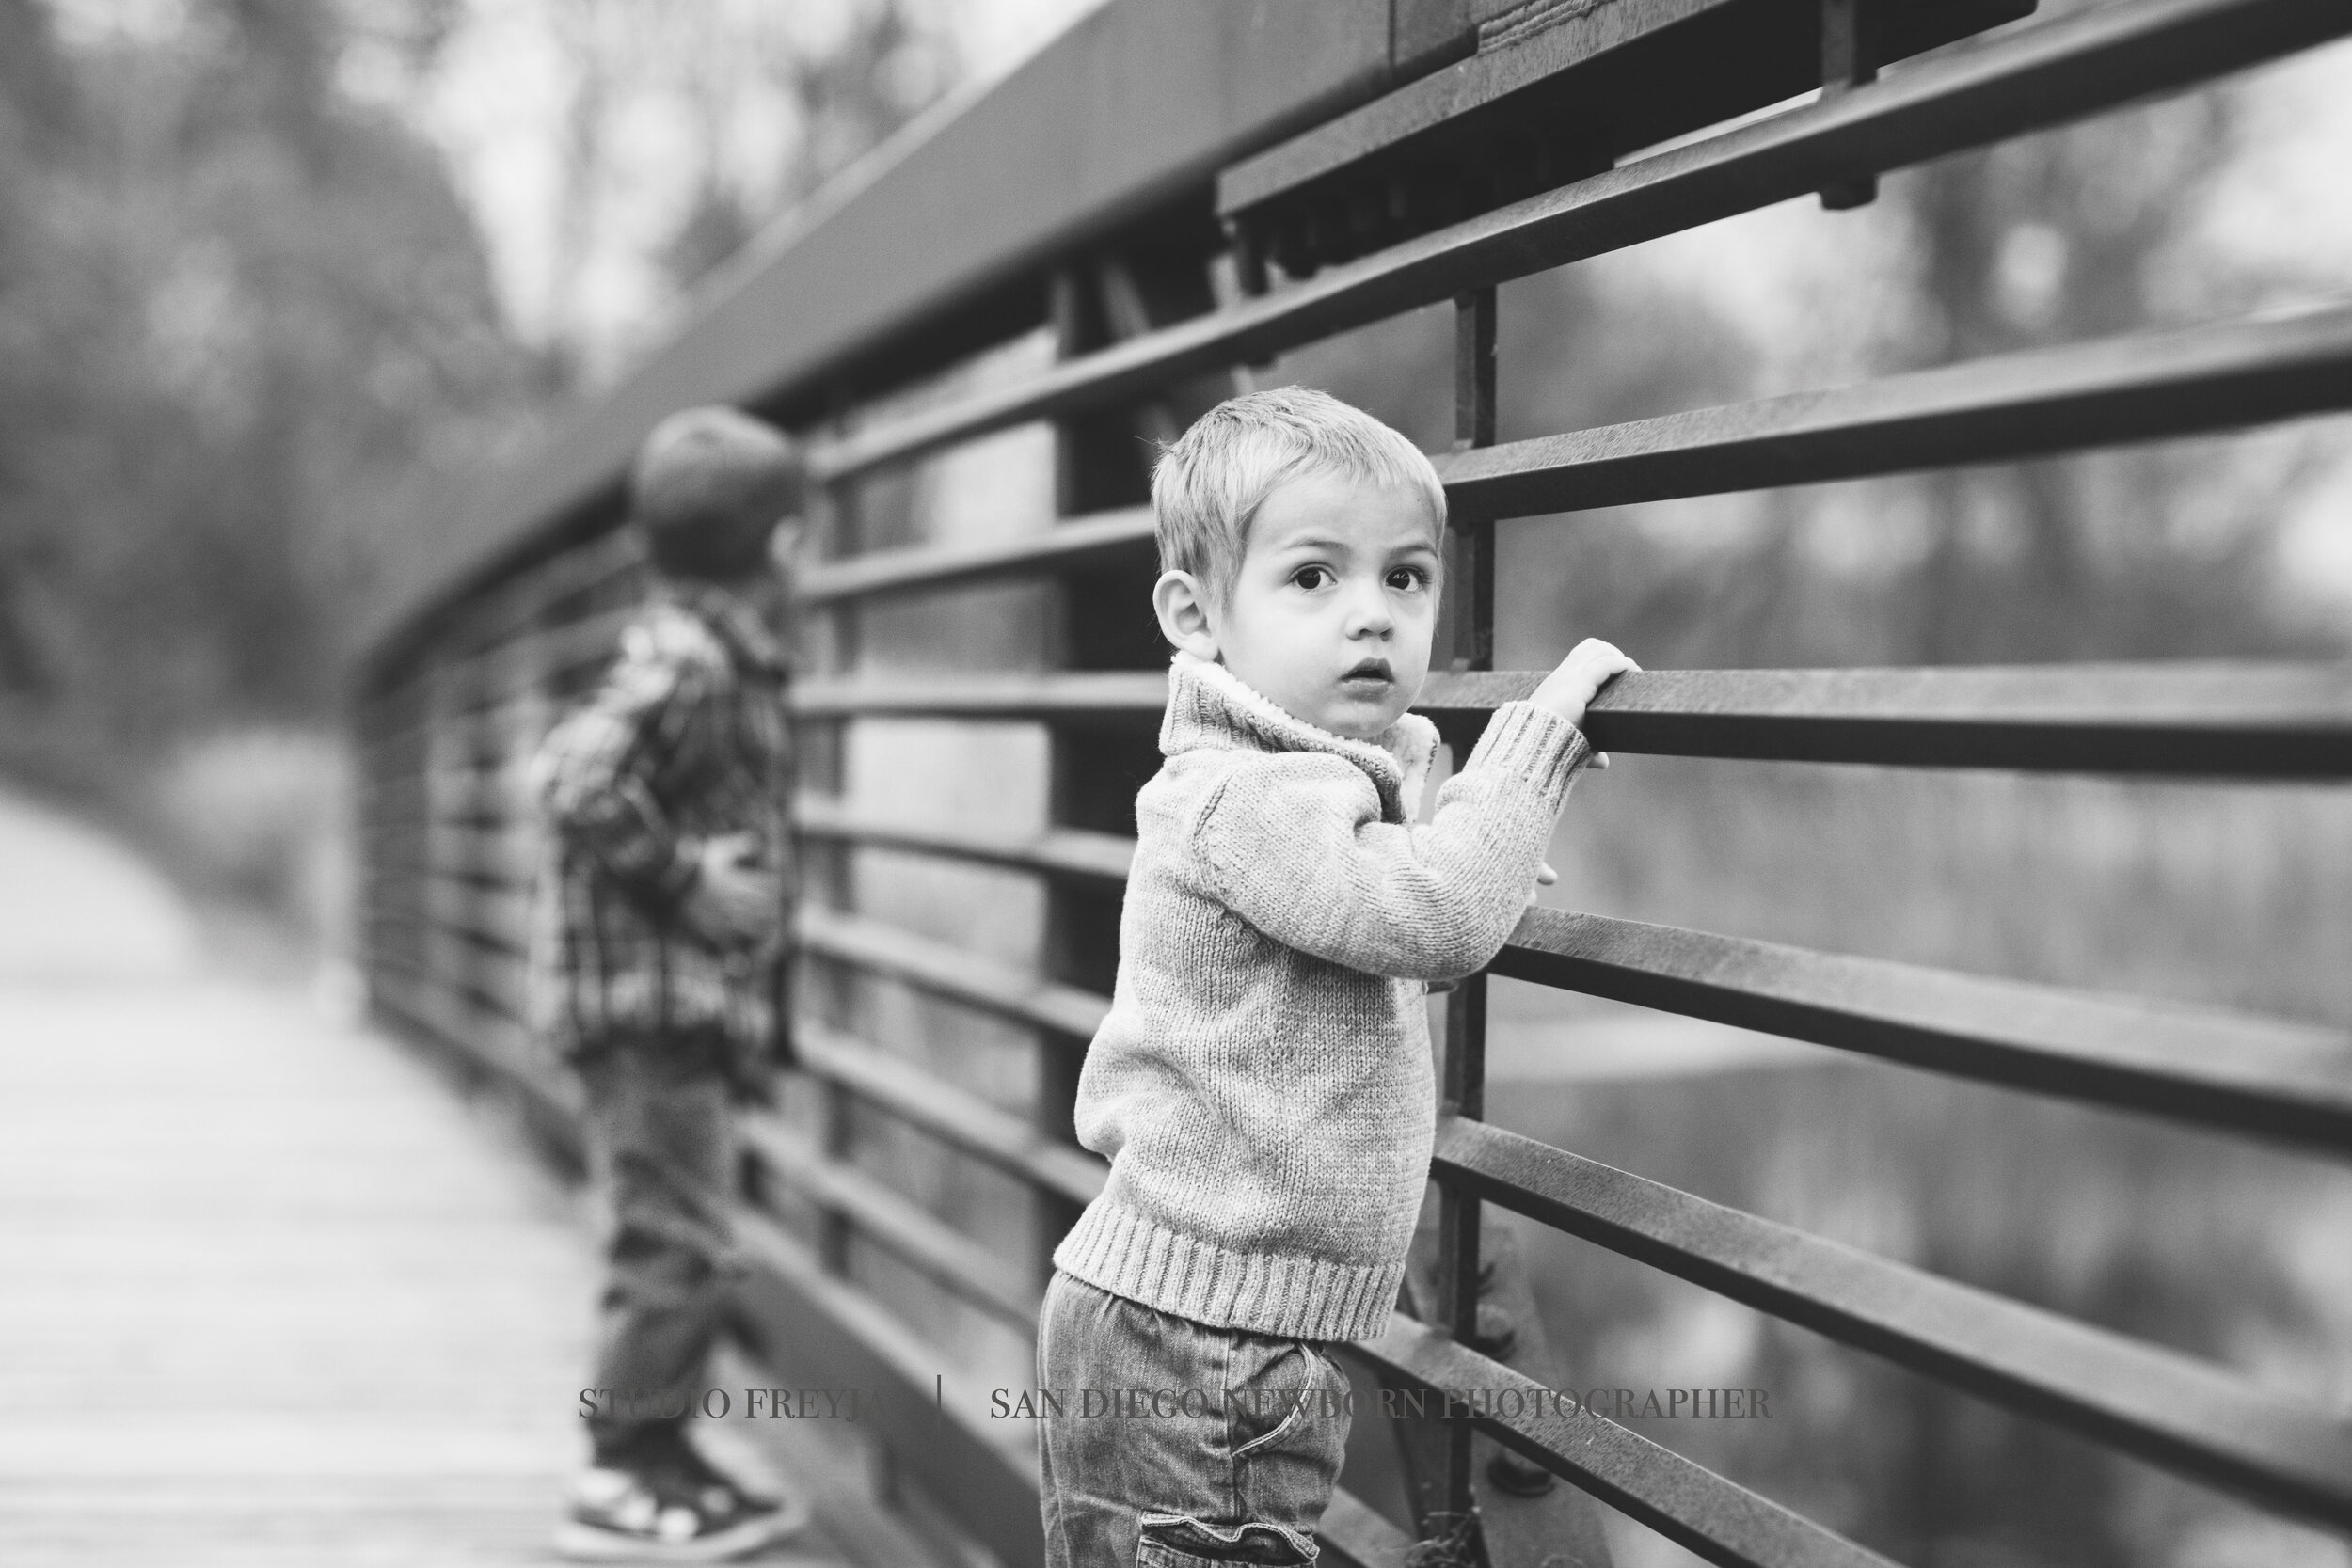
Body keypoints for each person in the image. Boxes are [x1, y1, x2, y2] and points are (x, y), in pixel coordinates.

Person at [1035, 386, 1638, 1567]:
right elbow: (1438, 918)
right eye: (1313, 578)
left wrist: (1454, 845)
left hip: (1211, 1327)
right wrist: (1533, 749)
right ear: (1195, 616)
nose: (1371, 616)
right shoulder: (1244, 795)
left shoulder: (1293, 788)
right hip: (1204, 1347)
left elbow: (1386, 937)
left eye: (1405, 578)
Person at [529, 404, 809, 1562]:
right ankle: (622, 1470)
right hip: (646, 1015)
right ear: (784, 546)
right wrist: (688, 878)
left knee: (684, 1233)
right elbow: (574, 776)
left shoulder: (700, 653)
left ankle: (663, 1451)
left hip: (672, 1013)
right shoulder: (693, 663)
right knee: (674, 1244)